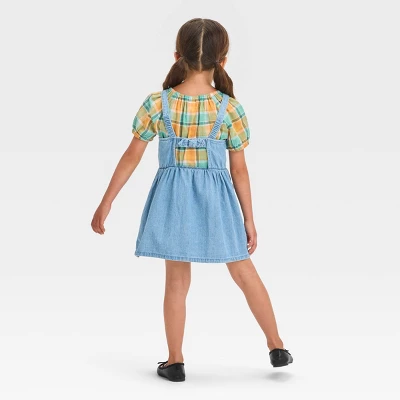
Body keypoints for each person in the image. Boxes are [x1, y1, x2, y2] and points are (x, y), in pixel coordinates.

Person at [91, 17, 293, 382]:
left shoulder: (158, 103)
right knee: (244, 272)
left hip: (174, 202)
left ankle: (175, 361)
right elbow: (239, 171)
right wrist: (248, 218)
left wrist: (107, 201)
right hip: (219, 202)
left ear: (177, 55)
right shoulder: (229, 108)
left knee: (176, 282)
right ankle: (276, 345)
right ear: (223, 60)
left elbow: (131, 156)